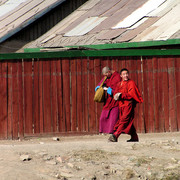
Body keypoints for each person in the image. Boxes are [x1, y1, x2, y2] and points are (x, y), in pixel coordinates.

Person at [108, 68, 143, 142]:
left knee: (124, 120)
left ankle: (115, 135)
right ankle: (134, 137)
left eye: (127, 74)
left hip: (128, 105)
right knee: (127, 121)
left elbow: (131, 94)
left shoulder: (131, 83)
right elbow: (115, 93)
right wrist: (116, 96)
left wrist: (122, 95)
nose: (125, 75)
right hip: (121, 105)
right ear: (121, 75)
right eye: (124, 74)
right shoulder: (119, 84)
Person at [95, 66, 121, 134]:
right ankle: (104, 130)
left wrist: (109, 90)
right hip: (108, 100)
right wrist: (99, 87)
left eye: (106, 74)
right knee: (103, 116)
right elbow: (101, 82)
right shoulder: (107, 77)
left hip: (115, 100)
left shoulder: (117, 77)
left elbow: (117, 89)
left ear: (109, 72)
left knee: (113, 117)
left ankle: (112, 131)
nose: (105, 76)